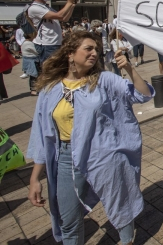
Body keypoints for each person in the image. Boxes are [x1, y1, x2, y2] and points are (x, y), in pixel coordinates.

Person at [26, 31, 154, 244]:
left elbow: (143, 95)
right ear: (69, 53)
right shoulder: (50, 90)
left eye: (97, 49)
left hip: (104, 154)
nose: (94, 53)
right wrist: (34, 178)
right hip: (66, 159)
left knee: (120, 206)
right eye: (88, 48)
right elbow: (42, 137)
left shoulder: (104, 80)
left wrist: (129, 69)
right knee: (68, 219)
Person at [27, 0, 77, 66]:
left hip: (55, 43)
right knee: (51, 70)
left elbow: (64, 18)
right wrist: (68, 2)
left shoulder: (46, 7)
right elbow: (59, 15)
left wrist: (72, 5)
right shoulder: (34, 8)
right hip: (47, 45)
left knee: (59, 69)